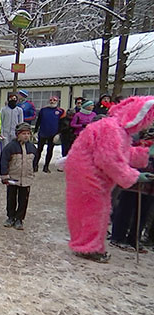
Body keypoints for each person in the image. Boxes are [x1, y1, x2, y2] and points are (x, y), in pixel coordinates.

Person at [66, 96, 154, 263]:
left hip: (89, 172)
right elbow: (109, 160)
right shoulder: (111, 129)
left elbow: (122, 153)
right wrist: (134, 176)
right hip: (88, 174)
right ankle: (87, 247)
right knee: (93, 209)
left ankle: (87, 245)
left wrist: (145, 154)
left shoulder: (119, 130)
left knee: (93, 208)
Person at [0, 123, 37, 230]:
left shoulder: (32, 147)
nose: (26, 136)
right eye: (23, 134)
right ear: (17, 135)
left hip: (26, 178)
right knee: (11, 197)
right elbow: (4, 161)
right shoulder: (11, 147)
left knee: (23, 199)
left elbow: (35, 161)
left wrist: (32, 171)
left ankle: (19, 218)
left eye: (28, 134)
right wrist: (4, 175)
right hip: (13, 177)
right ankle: (10, 216)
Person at [33, 96, 65, 173]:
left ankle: (46, 166)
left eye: (54, 100)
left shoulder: (60, 111)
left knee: (50, 150)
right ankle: (35, 166)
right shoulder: (43, 110)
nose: (52, 101)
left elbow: (62, 124)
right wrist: (35, 131)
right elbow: (38, 121)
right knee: (39, 150)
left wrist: (58, 134)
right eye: (50, 100)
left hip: (53, 134)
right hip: (43, 133)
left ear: (57, 101)